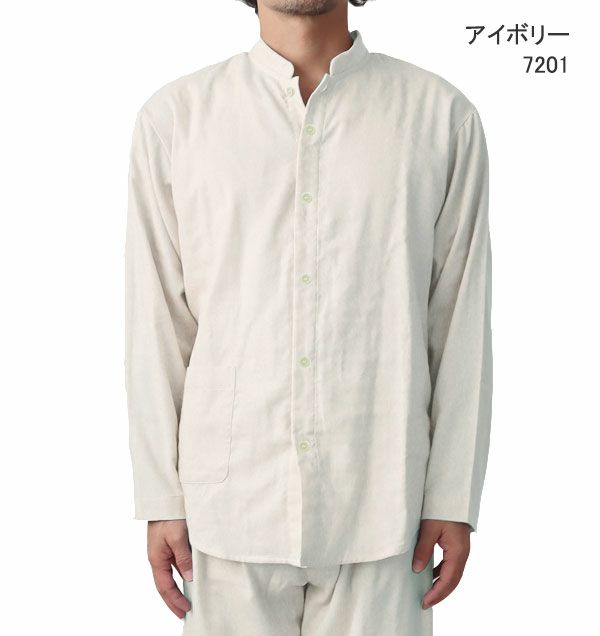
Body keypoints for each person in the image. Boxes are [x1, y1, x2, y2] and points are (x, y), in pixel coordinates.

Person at [124, 1, 493, 633]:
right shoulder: (175, 120)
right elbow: (157, 321)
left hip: (385, 502)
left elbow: (459, 319)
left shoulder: (439, 117)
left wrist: (453, 495)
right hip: (227, 509)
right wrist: (161, 495)